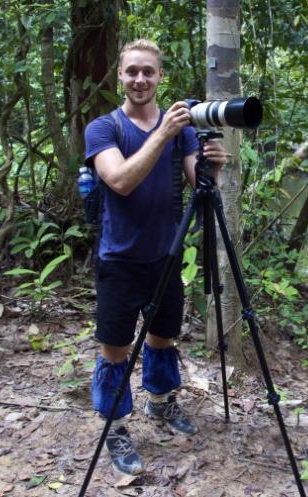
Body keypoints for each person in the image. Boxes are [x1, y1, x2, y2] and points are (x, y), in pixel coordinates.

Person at [83, 39, 227, 475]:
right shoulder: (104, 129)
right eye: (132, 72)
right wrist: (162, 132)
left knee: (163, 337)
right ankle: (115, 427)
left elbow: (198, 186)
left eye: (148, 71)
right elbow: (120, 181)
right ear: (121, 75)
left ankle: (161, 402)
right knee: (115, 350)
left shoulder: (181, 130)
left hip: (166, 255)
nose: (140, 79)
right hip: (119, 259)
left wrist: (212, 168)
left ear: (160, 76)